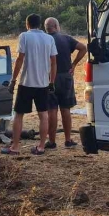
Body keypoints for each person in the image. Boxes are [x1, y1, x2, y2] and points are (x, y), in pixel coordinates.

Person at [2, 13, 57, 155]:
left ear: (27, 24)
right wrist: (51, 82)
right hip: (43, 84)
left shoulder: (24, 36)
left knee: (19, 114)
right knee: (43, 115)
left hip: (26, 82)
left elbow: (20, 59)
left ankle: (14, 147)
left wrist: (13, 80)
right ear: (40, 24)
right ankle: (41, 147)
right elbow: (53, 62)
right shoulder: (49, 38)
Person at [44, 17, 87, 149]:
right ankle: (68, 140)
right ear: (57, 26)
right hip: (66, 77)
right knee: (65, 109)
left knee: (52, 111)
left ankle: (51, 141)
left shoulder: (44, 40)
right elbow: (83, 48)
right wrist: (74, 64)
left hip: (50, 78)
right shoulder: (66, 38)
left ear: (46, 28)